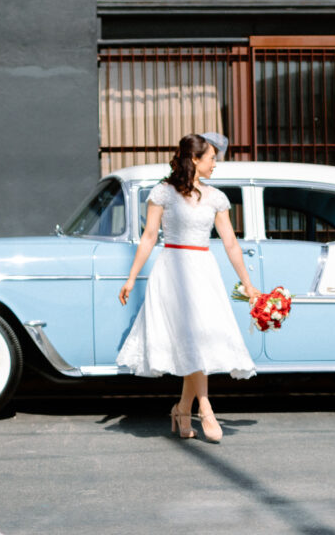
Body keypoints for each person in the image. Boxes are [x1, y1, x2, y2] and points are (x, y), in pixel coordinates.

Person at [117, 133, 259, 441]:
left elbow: (231, 243)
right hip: (173, 270)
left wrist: (248, 284)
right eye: (211, 158)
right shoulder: (163, 193)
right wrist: (131, 278)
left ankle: (183, 408)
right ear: (194, 159)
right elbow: (149, 237)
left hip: (203, 271)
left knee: (197, 341)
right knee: (191, 339)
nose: (215, 164)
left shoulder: (216, 198)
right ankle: (205, 408)